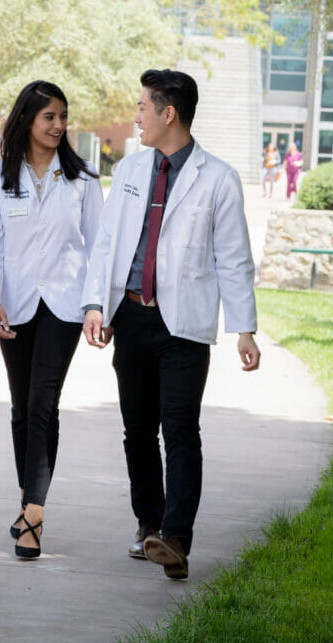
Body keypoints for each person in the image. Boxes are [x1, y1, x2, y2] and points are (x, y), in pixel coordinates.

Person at [82, 69, 260, 580]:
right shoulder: (132, 170)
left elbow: (234, 258)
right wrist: (97, 304)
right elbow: (107, 243)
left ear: (168, 114)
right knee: (137, 431)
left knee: (179, 430)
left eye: (142, 107)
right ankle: (149, 525)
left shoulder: (218, 177)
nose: (135, 116)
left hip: (184, 326)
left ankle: (176, 537)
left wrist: (243, 328)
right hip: (132, 318)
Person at [0, 80, 103, 560]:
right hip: (16, 303)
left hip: (64, 305)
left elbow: (99, 246)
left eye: (63, 117)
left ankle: (34, 514)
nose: (58, 126)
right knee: (22, 408)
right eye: (49, 117)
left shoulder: (83, 178)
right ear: (26, 119)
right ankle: (27, 501)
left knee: (44, 402)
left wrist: (95, 304)